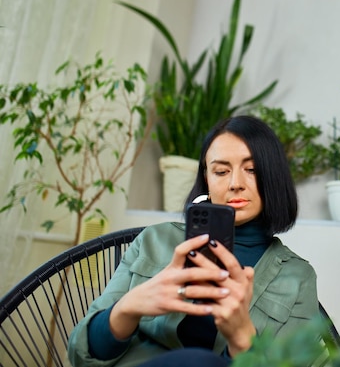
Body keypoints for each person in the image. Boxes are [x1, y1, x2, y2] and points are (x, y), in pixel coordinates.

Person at [67, 115, 319, 366]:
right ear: (207, 179)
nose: (235, 184)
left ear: (272, 177)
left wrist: (243, 340)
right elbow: (80, 355)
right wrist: (128, 307)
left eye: (251, 169)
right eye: (221, 171)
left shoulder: (298, 278)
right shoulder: (154, 241)